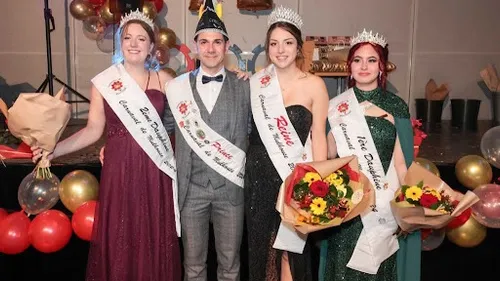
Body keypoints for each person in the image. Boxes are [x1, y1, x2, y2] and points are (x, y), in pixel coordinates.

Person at [32, 9, 181, 281]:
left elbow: (183, 124)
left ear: (151, 47)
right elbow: (92, 131)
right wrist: (55, 150)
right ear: (120, 43)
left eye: (140, 39)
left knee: (151, 233)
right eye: (127, 38)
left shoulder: (166, 80)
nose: (133, 44)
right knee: (120, 233)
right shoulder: (104, 83)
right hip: (119, 170)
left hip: (154, 170)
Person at [319, 29, 420, 281]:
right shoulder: (334, 107)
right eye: (357, 60)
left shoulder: (397, 106)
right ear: (349, 67)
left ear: (382, 67)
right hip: (347, 208)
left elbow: (401, 162)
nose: (364, 66)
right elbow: (329, 156)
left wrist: (407, 205)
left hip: (383, 207)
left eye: (371, 60)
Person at [163, 1, 251, 280]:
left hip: (231, 190)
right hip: (191, 190)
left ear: (227, 47)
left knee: (230, 266)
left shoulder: (246, 85)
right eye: (205, 42)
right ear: (196, 46)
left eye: (217, 42)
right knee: (193, 266)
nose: (211, 48)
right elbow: (161, 129)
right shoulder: (177, 89)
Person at [245, 6, 329, 281]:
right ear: (267, 48)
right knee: (262, 247)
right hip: (258, 176)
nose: (281, 50)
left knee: (292, 250)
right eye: (274, 44)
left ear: (298, 46)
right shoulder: (256, 83)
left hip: (295, 175)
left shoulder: (315, 85)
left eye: (288, 42)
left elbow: (318, 137)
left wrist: (319, 184)